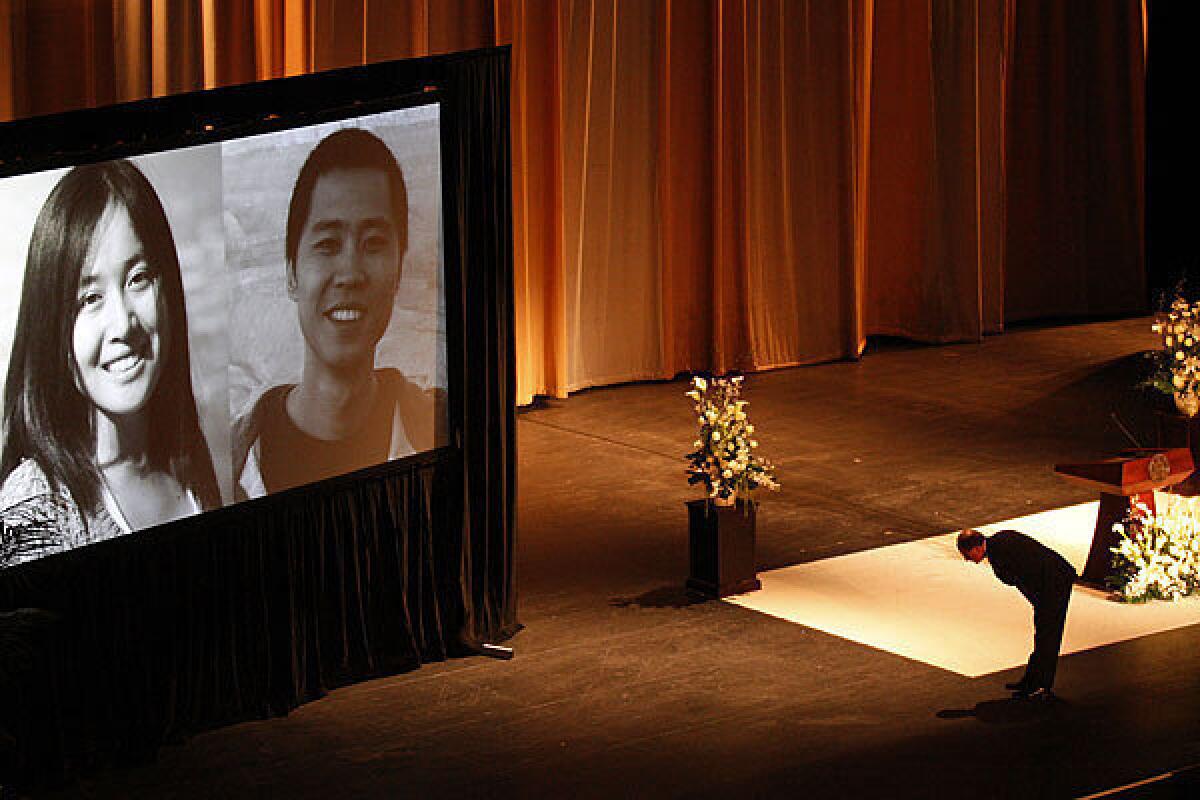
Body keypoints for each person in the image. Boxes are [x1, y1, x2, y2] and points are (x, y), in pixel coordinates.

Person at [0, 160, 221, 567]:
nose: (123, 323)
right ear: (51, 327)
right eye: (89, 299)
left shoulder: (187, 464)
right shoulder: (33, 504)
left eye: (138, 278)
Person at [232, 127, 442, 499]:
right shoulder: (233, 460)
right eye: (327, 244)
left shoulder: (440, 425)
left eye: (374, 244)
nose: (349, 275)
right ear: (292, 273)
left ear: (399, 268)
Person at [957, 528, 1076, 698]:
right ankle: (1032, 680)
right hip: (1047, 584)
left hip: (1054, 584)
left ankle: (1041, 684)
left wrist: (1041, 603)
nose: (968, 560)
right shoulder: (1000, 542)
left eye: (967, 555)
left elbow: (1024, 575)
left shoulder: (1000, 552)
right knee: (1043, 634)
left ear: (976, 548)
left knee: (1048, 635)